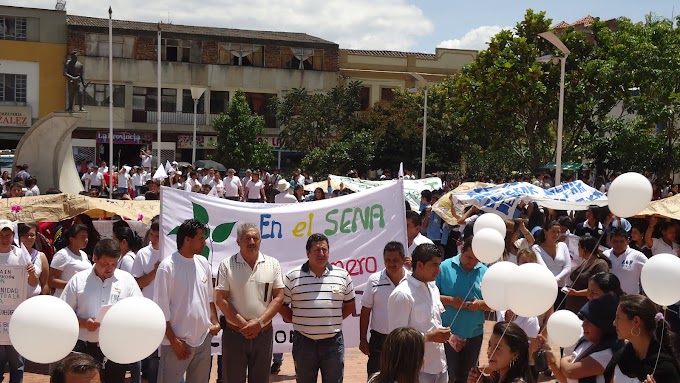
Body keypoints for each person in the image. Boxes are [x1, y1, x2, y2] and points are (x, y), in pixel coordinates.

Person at [61, 239, 143, 383]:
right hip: (86, 349)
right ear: (95, 258)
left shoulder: (127, 280)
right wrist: (84, 323)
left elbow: (139, 310)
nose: (109, 268)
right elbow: (62, 314)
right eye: (105, 264)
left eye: (114, 264)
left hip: (116, 348)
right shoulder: (78, 280)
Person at [279, 233, 355, 383]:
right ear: (308, 253)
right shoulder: (292, 276)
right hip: (304, 343)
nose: (321, 254)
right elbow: (281, 306)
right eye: (317, 250)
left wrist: (331, 321)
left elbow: (349, 305)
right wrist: (297, 320)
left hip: (333, 343)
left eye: (324, 250)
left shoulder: (342, 275)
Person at [214, 223, 284, 383]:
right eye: (247, 238)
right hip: (234, 335)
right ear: (238, 241)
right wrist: (244, 325)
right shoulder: (227, 264)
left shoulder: (273, 263)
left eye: (255, 238)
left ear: (260, 241)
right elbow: (221, 299)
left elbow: (279, 297)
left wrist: (259, 323)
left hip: (263, 334)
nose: (252, 242)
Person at [154, 219, 221, 383]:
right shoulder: (167, 267)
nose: (204, 243)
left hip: (203, 340)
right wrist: (174, 341)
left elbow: (209, 298)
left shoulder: (203, 262)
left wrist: (214, 321)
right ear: (187, 240)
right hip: (177, 344)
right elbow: (160, 311)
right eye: (200, 238)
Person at [388, 243, 451, 383]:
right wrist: (430, 337)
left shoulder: (433, 288)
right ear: (420, 265)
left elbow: (434, 323)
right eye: (434, 265)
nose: (438, 270)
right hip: (415, 371)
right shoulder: (402, 294)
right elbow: (397, 339)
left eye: (439, 264)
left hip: (440, 366)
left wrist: (451, 339)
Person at [437, 236, 490, 383]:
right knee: (447, 376)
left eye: (476, 259)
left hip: (474, 335)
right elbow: (431, 296)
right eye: (468, 257)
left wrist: (479, 304)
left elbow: (494, 304)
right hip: (447, 335)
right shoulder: (444, 267)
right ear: (461, 249)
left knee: (468, 377)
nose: (471, 262)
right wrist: (451, 301)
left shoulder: (486, 272)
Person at [547, 294, 622, 383]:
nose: (583, 325)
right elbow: (567, 379)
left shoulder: (608, 353)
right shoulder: (586, 343)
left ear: (603, 325)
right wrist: (552, 361)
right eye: (584, 320)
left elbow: (570, 372)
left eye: (589, 322)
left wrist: (563, 361)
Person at [360, 241, 408, 376]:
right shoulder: (374, 280)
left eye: (395, 260)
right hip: (379, 340)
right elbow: (365, 311)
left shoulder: (412, 280)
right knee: (376, 377)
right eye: (387, 260)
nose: (391, 264)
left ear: (404, 260)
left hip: (405, 339)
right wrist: (363, 339)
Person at [0, 220, 39, 383]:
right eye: (1, 235)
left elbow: (34, 283)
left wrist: (31, 273)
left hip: (15, 318)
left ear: (13, 236)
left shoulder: (21, 255)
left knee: (17, 366)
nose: (4, 239)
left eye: (7, 235)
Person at [611, 294, 680, 382]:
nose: (614, 323)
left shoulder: (665, 369)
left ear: (636, 321)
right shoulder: (622, 357)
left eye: (618, 318)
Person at [131, 217, 161, 383]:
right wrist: (154, 272)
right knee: (148, 353)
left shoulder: (172, 252)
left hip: (168, 310)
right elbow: (137, 283)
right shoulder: (143, 254)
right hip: (148, 309)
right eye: (153, 235)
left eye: (159, 236)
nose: (155, 239)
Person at [467, 322, 534, 383]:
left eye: (497, 348)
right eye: (489, 345)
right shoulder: (498, 377)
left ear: (514, 354)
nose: (489, 352)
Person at [564, 236, 610, 313]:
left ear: (584, 248)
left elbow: (601, 288)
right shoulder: (585, 261)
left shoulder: (600, 264)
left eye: (579, 247)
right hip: (573, 306)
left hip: (586, 307)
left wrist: (577, 293)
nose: (578, 249)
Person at [532, 220, 571, 309]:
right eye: (553, 231)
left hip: (561, 288)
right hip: (545, 288)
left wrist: (556, 279)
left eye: (558, 232)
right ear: (545, 231)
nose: (556, 235)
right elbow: (543, 268)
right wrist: (552, 281)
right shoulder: (537, 248)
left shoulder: (563, 246)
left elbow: (567, 267)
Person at [50, 224, 92, 297]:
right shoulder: (62, 255)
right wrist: (74, 285)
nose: (86, 240)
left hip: (81, 297)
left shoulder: (83, 254)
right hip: (66, 297)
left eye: (87, 237)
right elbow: (52, 280)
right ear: (72, 239)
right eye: (82, 237)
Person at [603, 228, 647, 295]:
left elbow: (650, 271)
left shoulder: (637, 256)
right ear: (610, 241)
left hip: (630, 300)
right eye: (615, 241)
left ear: (628, 241)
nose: (618, 244)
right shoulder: (605, 255)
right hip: (609, 299)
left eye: (622, 241)